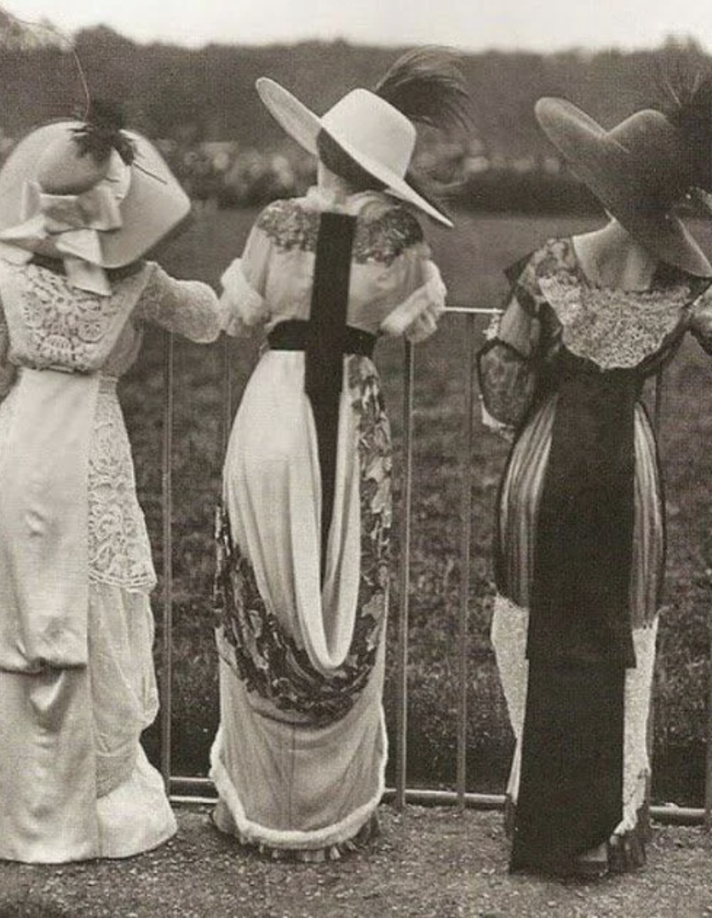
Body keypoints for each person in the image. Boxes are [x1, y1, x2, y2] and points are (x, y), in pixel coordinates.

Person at [477, 66, 712, 878]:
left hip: (543, 465)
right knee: (624, 640)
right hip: (625, 478)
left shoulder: (551, 264)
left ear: (609, 182)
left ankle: (531, 807)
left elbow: (502, 384)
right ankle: (610, 822)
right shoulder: (681, 283)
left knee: (523, 625)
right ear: (674, 201)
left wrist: (531, 403)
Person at [210, 48, 469, 860]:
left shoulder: (274, 226)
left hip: (274, 411)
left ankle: (260, 803)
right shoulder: (400, 240)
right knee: (343, 582)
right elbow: (415, 320)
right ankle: (332, 810)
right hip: (347, 412)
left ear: (323, 152)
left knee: (263, 585)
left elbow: (238, 315)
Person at [0, 102, 221, 862]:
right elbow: (205, 319)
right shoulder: (133, 274)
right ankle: (90, 798)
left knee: (12, 601)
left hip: (19, 436)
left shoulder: (7, 261)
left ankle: (11, 794)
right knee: (87, 602)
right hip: (89, 441)